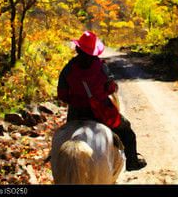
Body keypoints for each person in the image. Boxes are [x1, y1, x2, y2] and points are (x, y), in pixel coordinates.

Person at [57, 31, 147, 171]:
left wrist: (76, 99)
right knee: (127, 130)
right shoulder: (101, 66)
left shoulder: (68, 68)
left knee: (62, 139)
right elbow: (111, 88)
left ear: (78, 48)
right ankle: (132, 162)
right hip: (99, 113)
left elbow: (62, 94)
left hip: (76, 114)